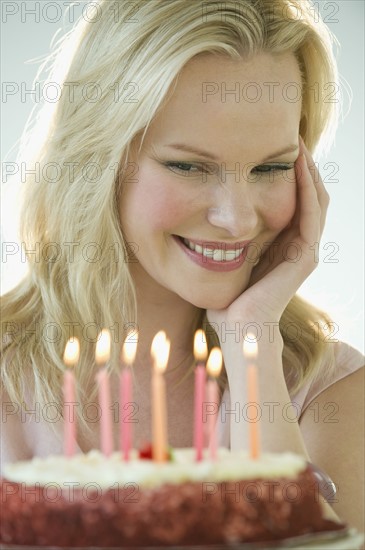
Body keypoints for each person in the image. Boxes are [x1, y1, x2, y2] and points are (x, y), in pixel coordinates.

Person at [1, 0, 364, 535]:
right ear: (96, 161)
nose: (237, 218)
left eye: (271, 166)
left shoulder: (329, 393)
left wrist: (253, 345)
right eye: (188, 165)